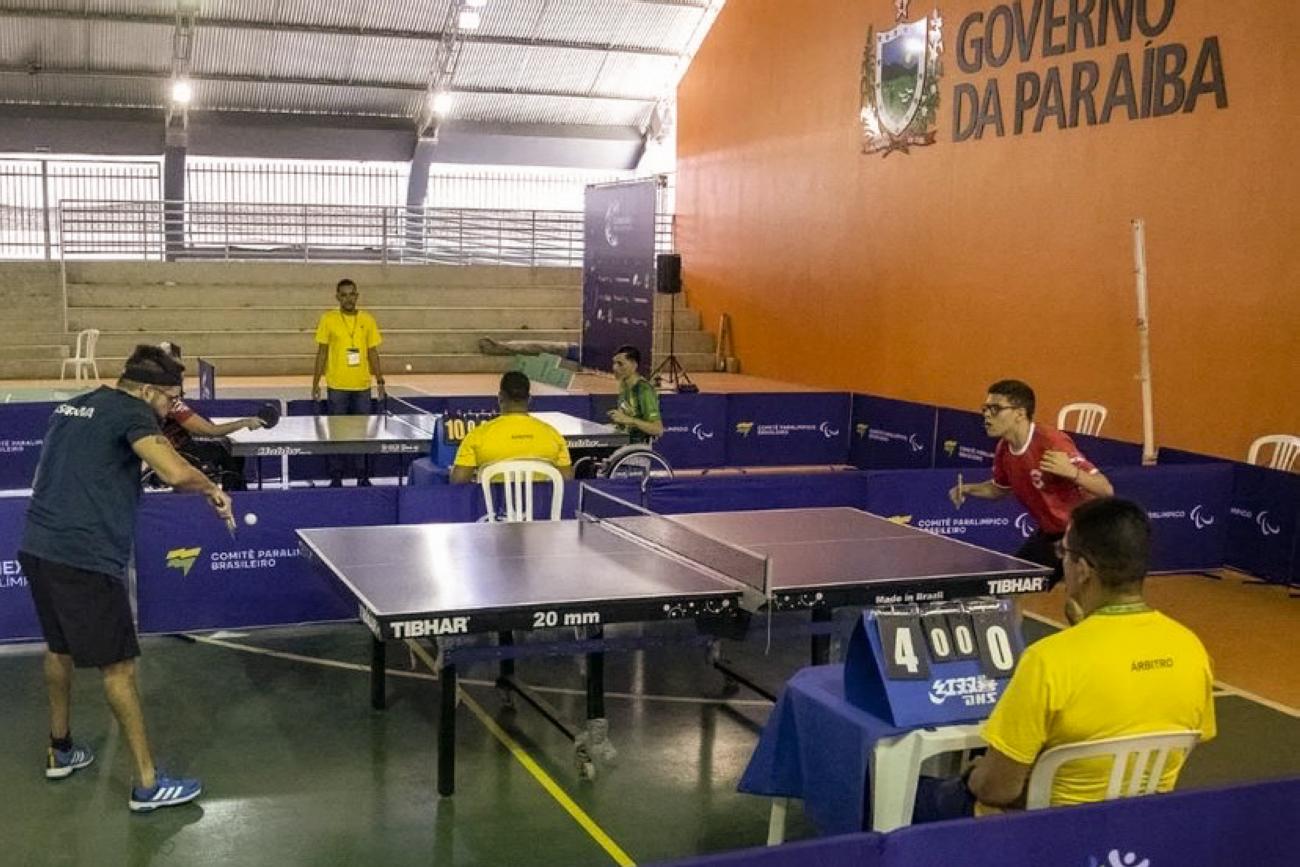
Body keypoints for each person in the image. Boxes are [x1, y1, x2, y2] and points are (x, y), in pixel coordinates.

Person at [17, 345, 235, 813]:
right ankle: (148, 785)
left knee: (59, 649)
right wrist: (213, 489)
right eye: (171, 399)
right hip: (85, 554)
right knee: (119, 670)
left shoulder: (75, 404)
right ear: (150, 390)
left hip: (38, 542)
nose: (172, 410)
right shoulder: (135, 413)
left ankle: (60, 748)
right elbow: (175, 473)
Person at [913, 497, 1217, 821]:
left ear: (1083, 569)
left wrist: (976, 774)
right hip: (1136, 824)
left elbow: (996, 789)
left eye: (1065, 554)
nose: (1064, 563)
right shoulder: (1191, 649)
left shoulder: (1048, 660)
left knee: (902, 795)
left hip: (1047, 829)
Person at [948, 379, 1113, 582]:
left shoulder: (1051, 442)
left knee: (1078, 602)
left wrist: (1072, 472)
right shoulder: (1004, 449)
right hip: (1051, 533)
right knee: (1010, 586)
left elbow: (1105, 489)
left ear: (1019, 413)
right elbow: (1000, 489)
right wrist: (968, 489)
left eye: (995, 409)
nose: (987, 414)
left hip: (1084, 533)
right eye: (986, 408)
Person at [156, 341, 263, 490]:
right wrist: (244, 423)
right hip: (182, 454)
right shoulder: (172, 403)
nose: (183, 374)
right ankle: (235, 497)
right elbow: (210, 431)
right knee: (230, 453)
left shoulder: (153, 395)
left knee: (223, 447)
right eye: (179, 370)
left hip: (169, 450)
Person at [310, 278, 386, 487]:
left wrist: (379, 380)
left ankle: (362, 474)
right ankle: (336, 475)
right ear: (337, 297)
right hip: (337, 387)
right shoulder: (328, 319)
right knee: (337, 433)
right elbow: (322, 353)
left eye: (351, 294)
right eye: (343, 295)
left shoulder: (368, 320)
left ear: (357, 296)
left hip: (362, 386)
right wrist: (316, 383)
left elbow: (373, 352)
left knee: (362, 434)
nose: (348, 298)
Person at [449, 371, 574, 484]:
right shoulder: (552, 435)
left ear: (500, 397)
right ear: (529, 399)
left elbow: (458, 482)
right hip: (542, 508)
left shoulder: (477, 436)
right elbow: (567, 481)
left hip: (494, 507)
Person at [607, 344, 663, 444]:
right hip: (624, 442)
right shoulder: (624, 385)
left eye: (620, 364)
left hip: (637, 448)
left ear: (634, 365)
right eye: (614, 363)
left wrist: (629, 420)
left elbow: (657, 429)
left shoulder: (643, 389)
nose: (615, 368)